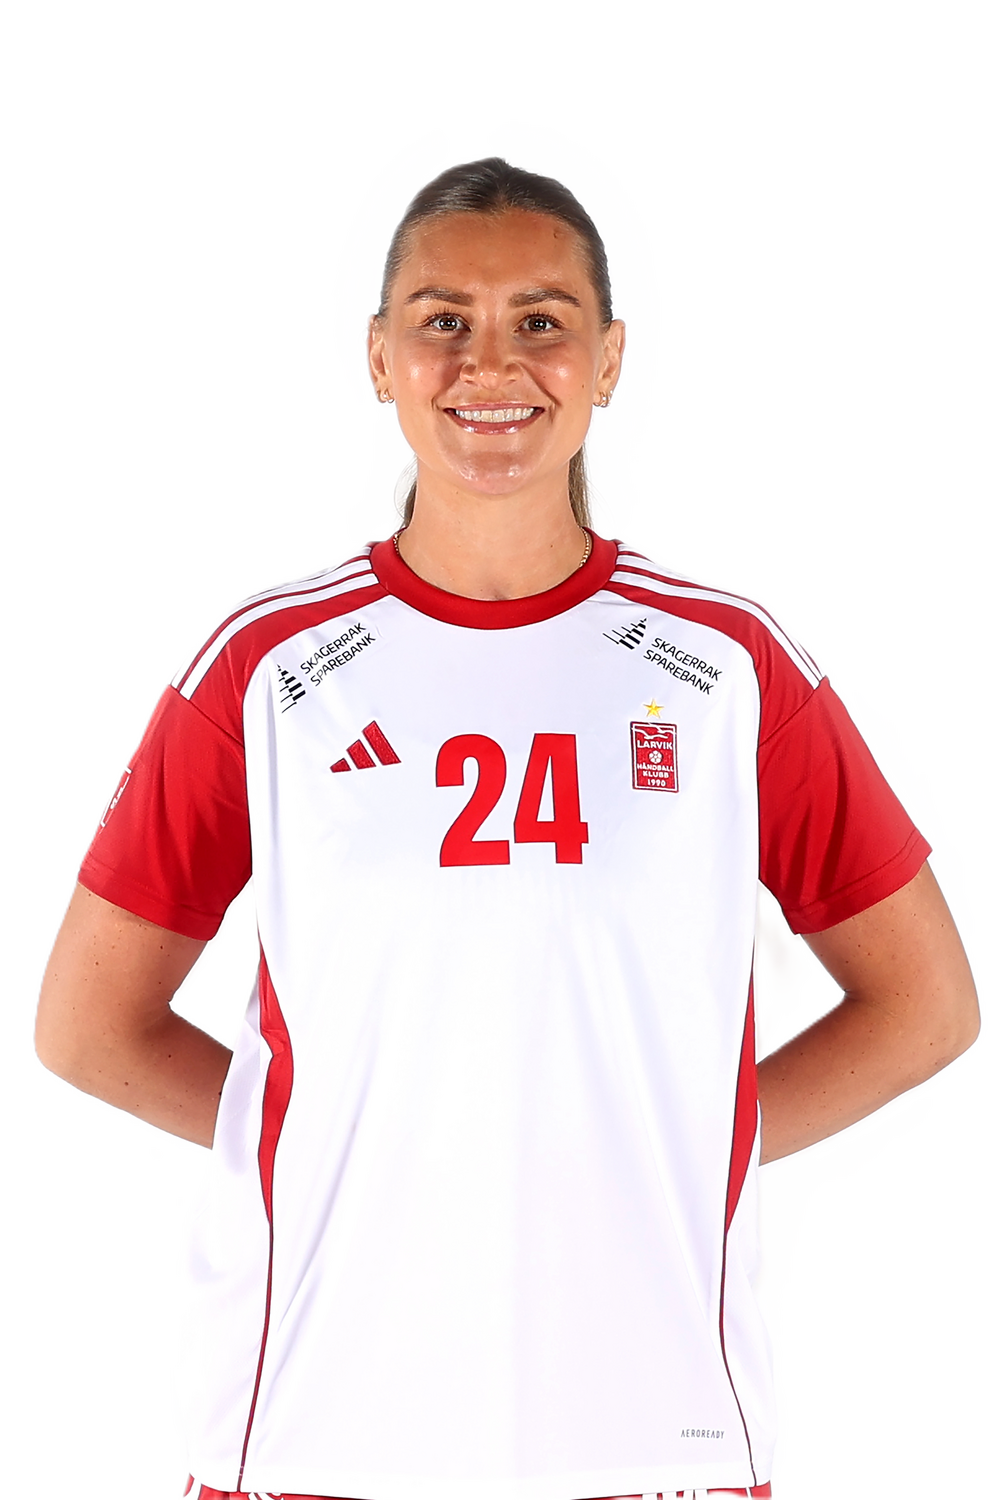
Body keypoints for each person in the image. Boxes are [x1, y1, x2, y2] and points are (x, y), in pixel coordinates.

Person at [32, 156, 980, 1500]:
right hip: (320, 1418)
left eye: (542, 320)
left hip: (647, 1417)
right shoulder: (266, 664)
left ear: (610, 360)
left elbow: (927, 1005)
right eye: (444, 321)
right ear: (376, 356)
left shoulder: (728, 666)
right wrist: (347, 1150)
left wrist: (666, 1150)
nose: (492, 363)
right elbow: (86, 1026)